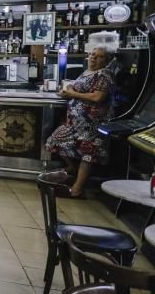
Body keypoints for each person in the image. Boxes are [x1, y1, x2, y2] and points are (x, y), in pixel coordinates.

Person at [45, 46, 114, 198]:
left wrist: (72, 93)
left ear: (107, 60)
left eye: (99, 56)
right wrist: (69, 90)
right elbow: (79, 88)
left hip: (92, 122)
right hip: (76, 121)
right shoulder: (88, 72)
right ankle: (72, 168)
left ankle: (77, 189)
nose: (93, 57)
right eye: (92, 54)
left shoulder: (104, 74)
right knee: (55, 140)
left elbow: (98, 97)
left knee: (88, 154)